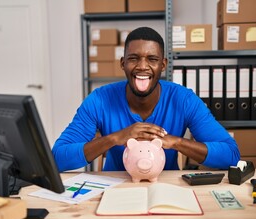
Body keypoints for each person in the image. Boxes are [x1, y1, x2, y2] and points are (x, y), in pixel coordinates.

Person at [52, 26, 240, 171]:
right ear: (123, 63)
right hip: (116, 187)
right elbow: (57, 158)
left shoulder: (184, 100)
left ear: (163, 64)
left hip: (166, 187)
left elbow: (231, 154)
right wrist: (115, 138)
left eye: (152, 59)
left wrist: (177, 142)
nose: (143, 66)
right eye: (134, 58)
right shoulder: (99, 100)